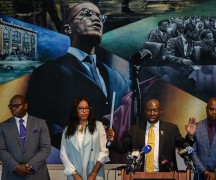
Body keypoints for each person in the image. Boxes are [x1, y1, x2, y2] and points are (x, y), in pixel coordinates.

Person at [26, 2, 131, 149]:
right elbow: (39, 123)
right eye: (87, 13)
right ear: (68, 28)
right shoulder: (47, 72)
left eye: (100, 17)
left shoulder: (119, 79)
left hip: (112, 162)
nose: (96, 19)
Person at [106, 98, 196, 172]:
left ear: (160, 111)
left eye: (155, 110)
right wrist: (111, 141)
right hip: (141, 175)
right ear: (145, 111)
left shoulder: (170, 129)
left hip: (165, 175)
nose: (152, 114)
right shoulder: (135, 129)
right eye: (149, 110)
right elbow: (122, 148)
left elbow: (183, 145)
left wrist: (190, 136)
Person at [0, 95, 51, 180]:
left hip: (37, 174)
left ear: (25, 106)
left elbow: (45, 148)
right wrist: (16, 167)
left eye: (16, 106)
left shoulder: (40, 123)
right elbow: (1, 150)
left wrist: (29, 165)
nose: (13, 109)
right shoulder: (3, 126)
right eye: (11, 106)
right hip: (12, 175)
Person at [60, 97, 110, 180]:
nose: (84, 111)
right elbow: (63, 153)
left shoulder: (98, 126)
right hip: (75, 175)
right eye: (81, 108)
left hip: (95, 174)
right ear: (75, 110)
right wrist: (74, 174)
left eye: (87, 108)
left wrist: (93, 173)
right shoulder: (67, 129)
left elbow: (104, 152)